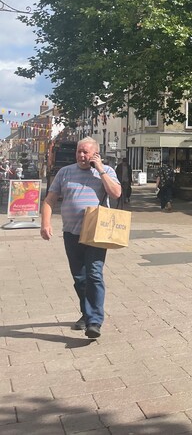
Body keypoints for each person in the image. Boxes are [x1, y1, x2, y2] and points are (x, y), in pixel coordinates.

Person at [40, 137, 122, 339]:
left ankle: (94, 321)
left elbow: (116, 193)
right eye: (79, 151)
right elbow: (50, 199)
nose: (81, 155)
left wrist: (100, 168)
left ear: (95, 153)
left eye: (86, 152)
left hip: (96, 233)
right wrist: (45, 223)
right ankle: (87, 314)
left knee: (94, 274)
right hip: (71, 232)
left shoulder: (107, 172)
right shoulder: (64, 172)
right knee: (79, 278)